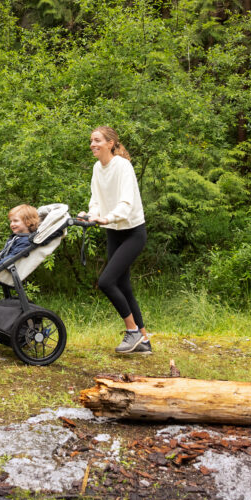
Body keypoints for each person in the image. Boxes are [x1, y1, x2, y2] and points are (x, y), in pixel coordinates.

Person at [80, 127, 151, 354]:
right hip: (113, 230)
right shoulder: (96, 168)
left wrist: (107, 217)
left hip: (132, 231)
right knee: (122, 284)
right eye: (91, 140)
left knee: (107, 281)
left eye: (97, 140)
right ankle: (144, 341)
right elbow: (96, 198)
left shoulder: (122, 166)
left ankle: (131, 332)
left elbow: (126, 203)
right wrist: (92, 215)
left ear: (110, 143)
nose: (92, 144)